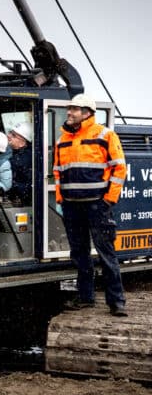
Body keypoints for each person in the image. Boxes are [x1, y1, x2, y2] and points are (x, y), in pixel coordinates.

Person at [53, 94, 128, 317]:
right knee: (80, 254)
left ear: (87, 113)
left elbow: (119, 168)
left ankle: (116, 302)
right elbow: (58, 172)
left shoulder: (105, 135)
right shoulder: (62, 140)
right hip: (72, 206)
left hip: (97, 205)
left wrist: (108, 200)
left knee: (106, 254)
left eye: (74, 109)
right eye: (69, 109)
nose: (69, 112)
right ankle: (85, 298)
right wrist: (60, 198)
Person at [6, 121, 33, 205]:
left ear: (23, 143)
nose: (8, 136)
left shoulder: (24, 159)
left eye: (13, 135)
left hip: (19, 198)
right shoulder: (15, 152)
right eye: (10, 132)